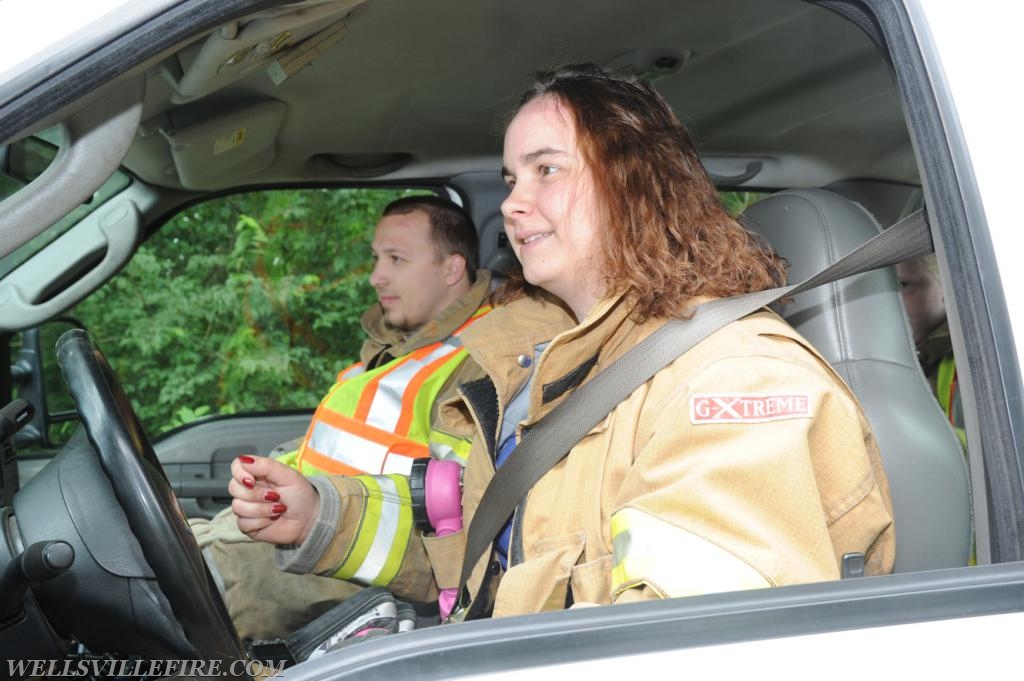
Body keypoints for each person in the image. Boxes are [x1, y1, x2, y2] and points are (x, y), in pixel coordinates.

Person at [228, 63, 895, 622]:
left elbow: (696, 645)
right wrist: (320, 514)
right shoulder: (550, 368)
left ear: (636, 182)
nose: (513, 204)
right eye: (514, 178)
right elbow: (479, 552)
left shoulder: (736, 380)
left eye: (546, 170)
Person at [193, 195, 492, 639]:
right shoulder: (394, 351)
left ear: (452, 269)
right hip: (300, 540)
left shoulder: (478, 361)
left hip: (359, 579)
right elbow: (333, 454)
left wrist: (314, 516)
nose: (376, 276)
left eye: (396, 259)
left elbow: (458, 522)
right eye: (376, 258)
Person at [895, 254, 965, 448]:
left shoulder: (969, 358)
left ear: (947, 287)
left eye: (904, 285)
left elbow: (983, 453)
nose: (892, 298)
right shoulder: (913, 350)